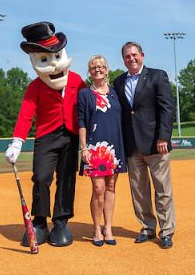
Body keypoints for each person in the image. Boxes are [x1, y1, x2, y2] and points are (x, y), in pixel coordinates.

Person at [5, 21, 86, 247]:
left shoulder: (78, 81)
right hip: (46, 137)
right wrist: (16, 142)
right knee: (41, 178)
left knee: (67, 180)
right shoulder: (36, 87)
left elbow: (89, 106)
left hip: (70, 135)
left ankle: (61, 222)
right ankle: (40, 222)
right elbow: (25, 115)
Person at [113, 41, 176, 249]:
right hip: (132, 146)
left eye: (134, 55)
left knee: (162, 190)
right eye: (127, 56)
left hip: (155, 144)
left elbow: (167, 108)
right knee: (139, 191)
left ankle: (166, 231)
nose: (131, 59)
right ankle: (147, 228)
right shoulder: (119, 82)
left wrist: (163, 138)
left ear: (142, 55)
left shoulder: (158, 76)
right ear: (123, 59)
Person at [77, 55, 127, 246]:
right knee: (98, 188)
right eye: (94, 67)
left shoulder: (115, 93)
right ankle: (97, 228)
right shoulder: (84, 94)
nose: (98, 69)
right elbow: (81, 121)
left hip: (114, 146)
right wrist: (83, 147)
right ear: (89, 72)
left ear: (106, 70)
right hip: (94, 147)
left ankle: (108, 227)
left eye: (101, 66)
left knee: (111, 187)